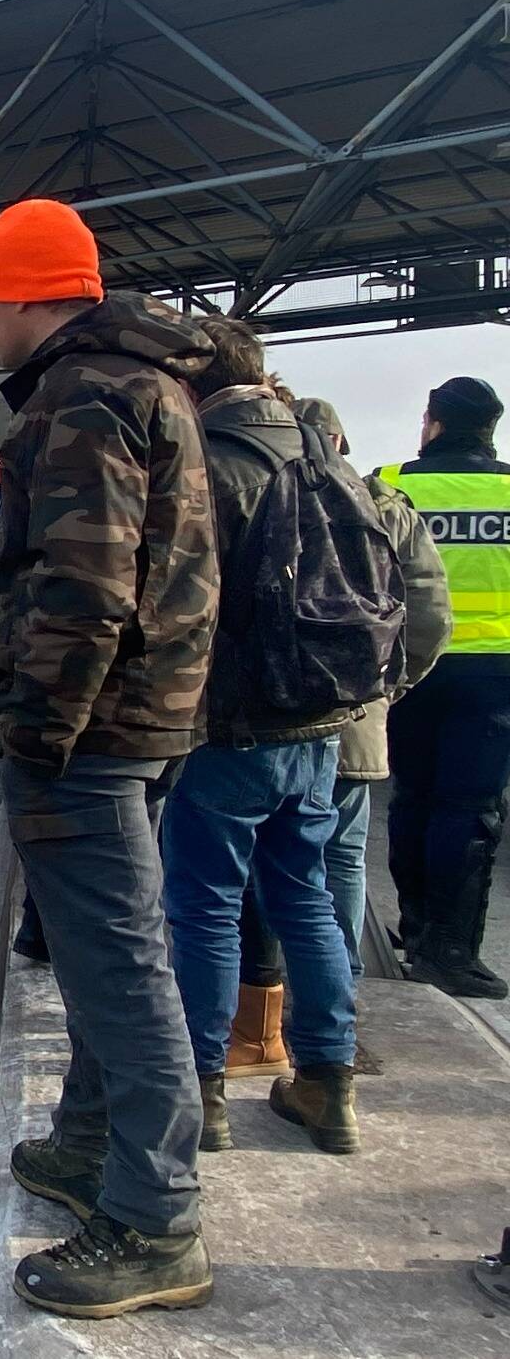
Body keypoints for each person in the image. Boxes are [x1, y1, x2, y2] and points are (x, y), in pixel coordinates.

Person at [0, 198, 217, 1319]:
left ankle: (152, 1219)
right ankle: (87, 1147)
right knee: (104, 956)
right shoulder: (139, 385)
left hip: (85, 735)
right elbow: (85, 581)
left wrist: (33, 732)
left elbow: (87, 595)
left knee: (121, 968)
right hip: (143, 718)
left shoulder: (82, 397)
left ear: (28, 292)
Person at [158, 320, 371, 1158]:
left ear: (196, 383)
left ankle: (203, 1090)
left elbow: (174, 601)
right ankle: (328, 1083)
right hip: (323, 724)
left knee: (204, 905)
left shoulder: (211, 466)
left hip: (233, 726)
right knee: (307, 897)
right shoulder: (330, 461)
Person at [295, 396, 450, 978]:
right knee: (342, 855)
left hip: (257, 720)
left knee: (254, 861)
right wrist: (390, 685)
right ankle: (341, 990)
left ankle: (261, 996)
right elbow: (431, 615)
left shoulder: (249, 491)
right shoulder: (385, 507)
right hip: (355, 716)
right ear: (340, 444)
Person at [375, 376, 510, 999]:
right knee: (469, 808)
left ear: (431, 422)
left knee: (414, 798)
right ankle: (451, 950)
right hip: (493, 675)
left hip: (407, 665)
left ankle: (418, 926)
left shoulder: (390, 483)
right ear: (491, 428)